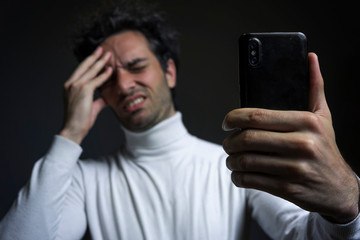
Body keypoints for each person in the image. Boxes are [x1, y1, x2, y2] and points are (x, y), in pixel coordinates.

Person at [0, 2, 359, 240]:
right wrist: (69, 135)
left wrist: (347, 208)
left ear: (168, 71)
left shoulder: (235, 164)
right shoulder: (81, 179)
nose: (124, 84)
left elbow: (305, 233)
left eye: (137, 66)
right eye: (107, 78)